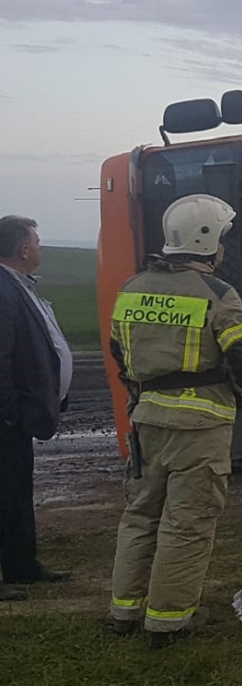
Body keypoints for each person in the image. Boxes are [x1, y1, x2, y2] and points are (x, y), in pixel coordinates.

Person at [106, 194, 242, 646]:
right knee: (187, 523)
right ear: (208, 239)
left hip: (147, 421)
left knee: (139, 516)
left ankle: (124, 612)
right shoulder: (217, 293)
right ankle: (167, 621)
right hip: (200, 427)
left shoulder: (132, 287)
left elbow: (119, 353)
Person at [0, 216, 74, 603]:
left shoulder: (17, 286)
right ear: (24, 250)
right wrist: (10, 412)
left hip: (16, 417)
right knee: (5, 492)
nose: (41, 247)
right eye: (37, 241)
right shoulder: (2, 289)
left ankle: (22, 566)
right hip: (6, 418)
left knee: (14, 491)